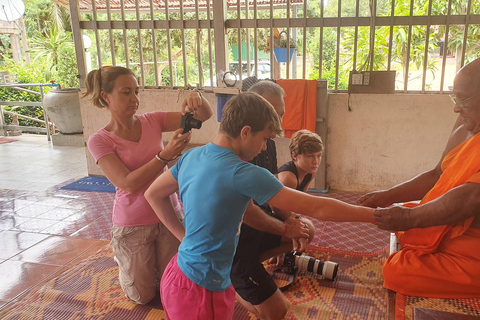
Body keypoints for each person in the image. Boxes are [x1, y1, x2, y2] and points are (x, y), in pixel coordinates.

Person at [145, 92, 375, 319]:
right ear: (245, 132)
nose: (265, 147)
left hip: (181, 275)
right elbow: (317, 207)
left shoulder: (192, 156)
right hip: (200, 289)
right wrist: (375, 216)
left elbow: (153, 194)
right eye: (265, 138)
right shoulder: (243, 172)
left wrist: (183, 237)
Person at [84, 66, 213, 305]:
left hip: (168, 215)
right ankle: (124, 263)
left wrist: (198, 97)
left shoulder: (153, 120)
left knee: (172, 283)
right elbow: (127, 183)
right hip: (133, 224)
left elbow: (202, 117)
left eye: (136, 91)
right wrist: (165, 155)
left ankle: (144, 264)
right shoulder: (100, 140)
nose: (135, 99)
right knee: (143, 296)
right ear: (105, 97)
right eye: (126, 92)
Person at [357, 58, 480, 298]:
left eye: (463, 100)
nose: (456, 108)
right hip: (457, 229)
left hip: (474, 243)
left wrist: (410, 218)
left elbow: (471, 197)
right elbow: (437, 175)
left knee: (397, 271)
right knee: (408, 222)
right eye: (455, 99)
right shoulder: (465, 124)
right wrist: (386, 196)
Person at [231, 82, 316, 320]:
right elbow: (248, 213)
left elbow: (272, 193)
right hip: (238, 236)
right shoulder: (234, 154)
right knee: (277, 312)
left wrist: (290, 220)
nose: (278, 122)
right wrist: (286, 227)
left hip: (256, 222)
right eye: (273, 113)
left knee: (306, 228)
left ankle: (251, 267)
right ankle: (231, 280)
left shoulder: (265, 141)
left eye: (280, 115)